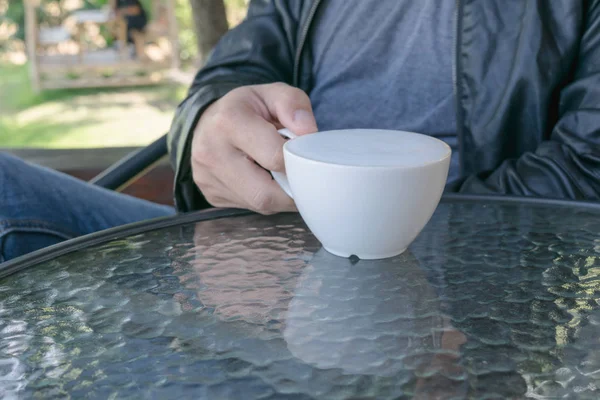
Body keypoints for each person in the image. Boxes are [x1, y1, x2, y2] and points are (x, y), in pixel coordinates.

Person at [1, 1, 600, 262]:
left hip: (455, 284)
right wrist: (207, 123)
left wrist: (378, 218)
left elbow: (584, 170)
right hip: (244, 249)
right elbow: (237, 70)